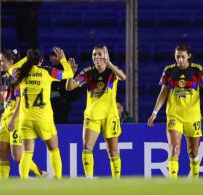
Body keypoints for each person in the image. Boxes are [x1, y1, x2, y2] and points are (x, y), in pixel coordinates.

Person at [147, 43, 203, 179]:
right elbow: (163, 93)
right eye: (177, 56)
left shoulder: (198, 70)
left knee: (193, 152)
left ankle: (195, 180)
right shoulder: (168, 70)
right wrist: (154, 112)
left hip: (193, 117)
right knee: (174, 149)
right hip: (174, 116)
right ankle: (173, 184)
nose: (179, 60)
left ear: (189, 56)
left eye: (183, 57)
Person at [0, 49, 46, 179]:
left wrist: (13, 120)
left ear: (11, 62)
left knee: (18, 157)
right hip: (5, 119)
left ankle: (41, 174)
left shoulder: (17, 77)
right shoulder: (5, 77)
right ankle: (4, 186)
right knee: (2, 153)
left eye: (1, 61)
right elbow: (4, 95)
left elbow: (20, 100)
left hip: (17, 119)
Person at [8, 47, 74, 180]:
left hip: (26, 118)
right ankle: (58, 180)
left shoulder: (20, 73)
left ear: (28, 59)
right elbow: (69, 74)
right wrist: (62, 59)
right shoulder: (47, 72)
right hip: (43, 118)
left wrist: (27, 58)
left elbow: (10, 69)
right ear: (42, 60)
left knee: (27, 152)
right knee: (53, 148)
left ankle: (24, 181)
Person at [66, 45, 126, 179]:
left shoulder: (112, 72)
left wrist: (109, 63)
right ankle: (89, 179)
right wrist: (70, 73)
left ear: (106, 55)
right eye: (94, 55)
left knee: (113, 151)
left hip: (110, 116)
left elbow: (123, 77)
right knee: (87, 146)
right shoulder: (87, 72)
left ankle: (116, 181)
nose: (96, 57)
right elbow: (70, 87)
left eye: (99, 54)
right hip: (92, 116)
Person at [49, 48, 81, 124]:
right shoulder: (47, 71)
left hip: (63, 110)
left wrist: (62, 95)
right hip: (48, 110)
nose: (54, 57)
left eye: (56, 55)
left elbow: (76, 95)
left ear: (61, 56)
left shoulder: (69, 70)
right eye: (52, 55)